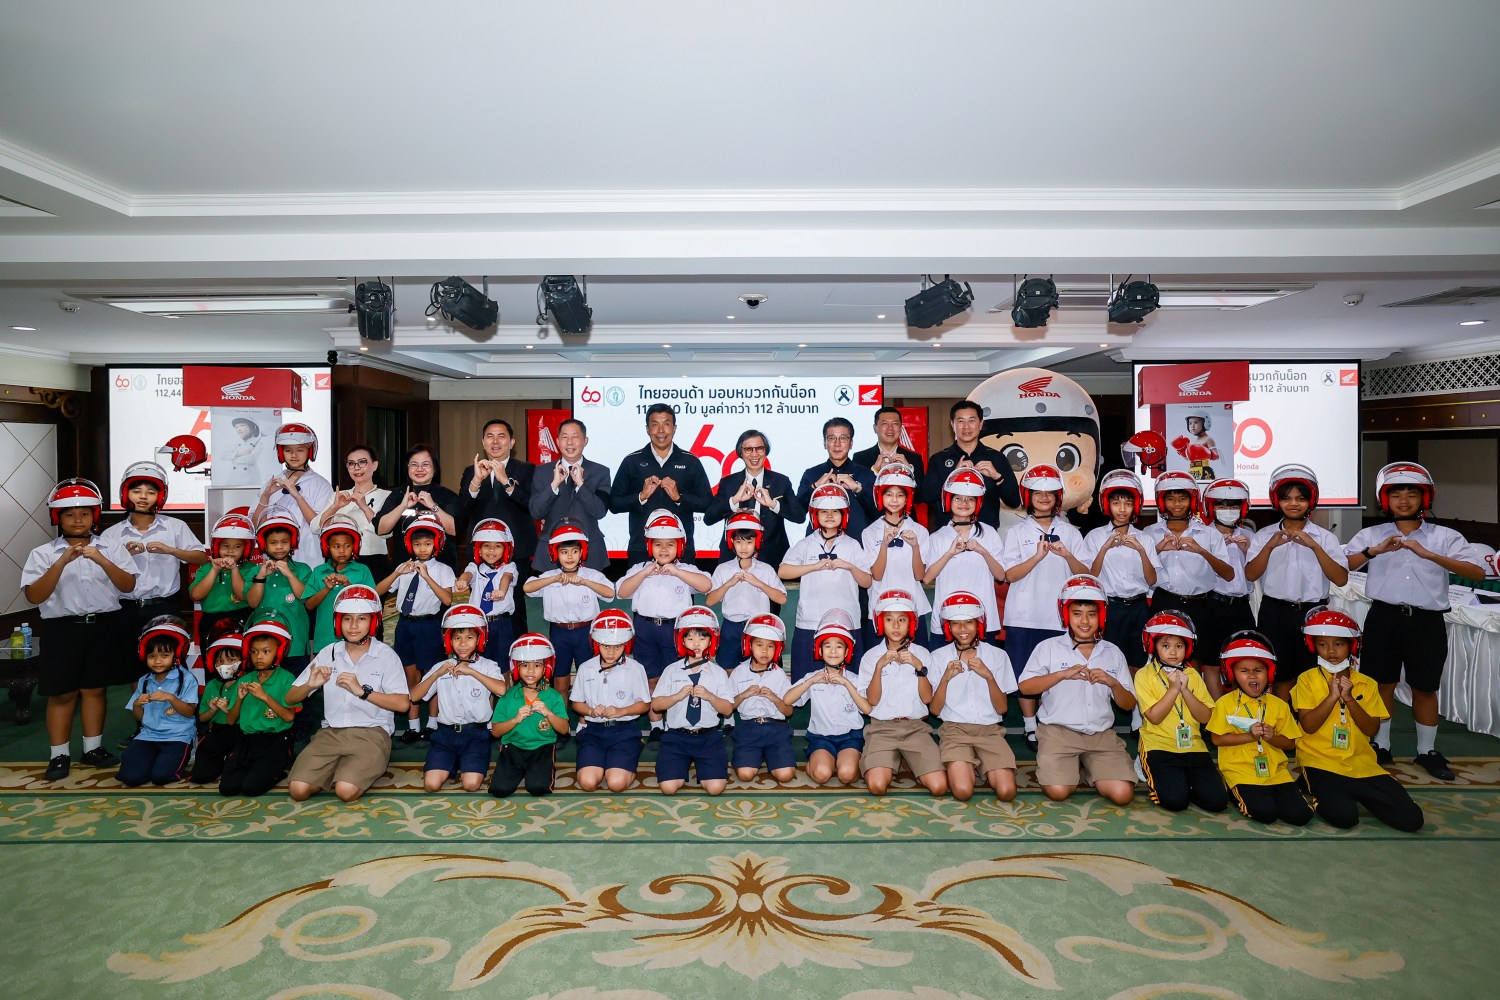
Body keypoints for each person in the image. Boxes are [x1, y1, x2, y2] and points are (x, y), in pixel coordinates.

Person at [1345, 462, 1485, 779]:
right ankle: (1381, 745)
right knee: (1381, 684)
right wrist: (1374, 551)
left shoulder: (1445, 536)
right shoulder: (1371, 534)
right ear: (1385, 499)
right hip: (1383, 617)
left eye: (1412, 494)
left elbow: (1477, 572)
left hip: (1426, 621)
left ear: (1425, 497)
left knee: (1425, 687)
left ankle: (1426, 751)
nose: (1404, 500)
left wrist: (1430, 554)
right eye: (1396, 494)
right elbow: (1342, 567)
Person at [21, 478, 138, 781]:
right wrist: (61, 562)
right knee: (62, 694)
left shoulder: (111, 547)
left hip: (103, 626)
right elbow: (35, 596)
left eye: (84, 513)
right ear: (57, 518)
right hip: (62, 629)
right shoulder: (43, 553)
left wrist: (101, 559)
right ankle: (59, 755)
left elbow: (128, 585)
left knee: (95, 689)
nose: (77, 520)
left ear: (94, 516)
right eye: (70, 514)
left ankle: (93, 748)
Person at [1291, 607, 1423, 832]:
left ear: (1352, 646)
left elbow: (1371, 729)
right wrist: (1332, 697)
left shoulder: (1367, 683)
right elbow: (1309, 726)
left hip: (1362, 765)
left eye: (1339, 644)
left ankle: (1345, 790)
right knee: (1344, 817)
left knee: (1411, 820)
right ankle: (1310, 781)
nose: (1331, 651)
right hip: (1320, 761)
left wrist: (1349, 699)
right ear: (1313, 646)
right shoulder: (1306, 680)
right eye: (1322, 644)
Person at [1016, 575, 1137, 805]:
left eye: (1092, 614)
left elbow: (1128, 704)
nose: (1084, 621)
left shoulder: (1113, 652)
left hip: (1101, 735)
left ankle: (1087, 764)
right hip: (1058, 733)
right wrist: (1060, 675)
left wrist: (1113, 683)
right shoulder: (1048, 647)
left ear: (1101, 616)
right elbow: (1025, 687)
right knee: (1058, 791)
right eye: (1077, 613)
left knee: (1122, 794)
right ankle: (1073, 766)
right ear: (1065, 615)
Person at [286, 586, 411, 803]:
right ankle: (339, 769)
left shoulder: (386, 656)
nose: (353, 626)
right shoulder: (329, 653)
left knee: (345, 791)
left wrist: (363, 692)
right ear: (338, 622)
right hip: (330, 733)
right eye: (347, 619)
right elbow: (290, 698)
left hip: (371, 733)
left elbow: (403, 704)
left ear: (373, 622)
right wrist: (309, 685)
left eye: (361, 619)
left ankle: (345, 772)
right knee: (298, 790)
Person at [1000, 464, 1089, 750]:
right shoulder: (1016, 532)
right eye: (1037, 492)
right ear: (1028, 496)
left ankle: (1053, 722)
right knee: (1024, 672)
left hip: (1060, 616)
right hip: (1024, 616)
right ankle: (1030, 726)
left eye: (1049, 492)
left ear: (1058, 496)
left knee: (1057, 670)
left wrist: (1067, 555)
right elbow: (1008, 575)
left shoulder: (1071, 532)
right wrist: (1036, 557)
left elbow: (1086, 573)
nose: (1043, 497)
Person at [1245, 464, 1349, 698]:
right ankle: (1282, 720)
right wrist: (1269, 546)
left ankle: (1307, 722)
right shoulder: (1264, 535)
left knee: (1311, 677)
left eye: (1300, 498)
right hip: (1274, 613)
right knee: (1279, 676)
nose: (1293, 503)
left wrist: (1314, 546)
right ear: (1276, 501)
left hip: (1313, 613)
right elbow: (1250, 574)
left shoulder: (1325, 537)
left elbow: (1341, 579)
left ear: (1311, 501)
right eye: (1286, 498)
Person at [100, 461, 208, 681]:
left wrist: (171, 550)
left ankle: (171, 703)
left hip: (164, 607)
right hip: (125, 609)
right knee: (133, 670)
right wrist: (123, 555)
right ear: (125, 493)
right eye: (136, 491)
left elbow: (201, 557)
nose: (143, 497)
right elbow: (100, 573)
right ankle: (140, 705)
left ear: (160, 496)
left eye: (150, 492)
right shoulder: (112, 534)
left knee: (169, 666)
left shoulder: (175, 526)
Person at [1207, 631, 1312, 826]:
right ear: (1232, 674)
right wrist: (1250, 736)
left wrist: (1271, 737)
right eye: (1244, 671)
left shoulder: (1279, 705)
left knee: (1301, 816)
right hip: (1241, 772)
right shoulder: (1224, 703)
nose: (1252, 675)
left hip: (1276, 773)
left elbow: (1290, 743)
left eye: (1258, 670)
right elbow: (1217, 739)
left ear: (1269, 673)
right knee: (1265, 813)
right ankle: (1233, 789)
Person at [928, 591, 1019, 802]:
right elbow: (934, 710)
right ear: (948, 627)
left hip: (990, 731)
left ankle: (980, 765)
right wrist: (945, 680)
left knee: (1007, 792)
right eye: (956, 623)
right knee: (962, 791)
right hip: (955, 731)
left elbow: (1002, 709)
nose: (962, 629)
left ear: (979, 624)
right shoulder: (938, 657)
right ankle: (967, 766)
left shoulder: (997, 655)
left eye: (969, 622)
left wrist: (989, 676)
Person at [1133, 611, 1228, 814]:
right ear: (1153, 646)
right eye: (1166, 646)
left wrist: (1185, 690)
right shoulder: (1144, 675)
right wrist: (1174, 689)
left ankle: (1186, 782)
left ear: (1187, 648)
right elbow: (1154, 717)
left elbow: (1206, 717)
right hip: (1159, 745)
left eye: (1179, 646)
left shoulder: (1192, 674)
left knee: (1217, 802)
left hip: (1194, 746)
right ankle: (1147, 765)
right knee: (1175, 801)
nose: (1173, 652)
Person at [854, 590, 945, 796]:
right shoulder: (871, 657)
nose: (895, 626)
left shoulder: (922, 654)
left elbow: (927, 699)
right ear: (880, 623)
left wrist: (919, 667)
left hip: (916, 728)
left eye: (902, 620)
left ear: (911, 623)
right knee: (877, 786)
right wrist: (879, 667)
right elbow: (872, 700)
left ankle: (906, 758)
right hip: (881, 728)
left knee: (939, 786)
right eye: (889, 620)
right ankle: (894, 758)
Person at [779, 484, 874, 682]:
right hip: (810, 621)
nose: (830, 516)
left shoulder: (853, 545)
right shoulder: (806, 543)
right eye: (824, 511)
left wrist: (849, 566)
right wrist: (813, 567)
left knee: (848, 681)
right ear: (815, 515)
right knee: (806, 680)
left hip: (847, 621)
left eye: (835, 511)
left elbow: (867, 582)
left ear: (844, 515)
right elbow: (783, 571)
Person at [410, 604, 509, 793]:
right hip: (445, 735)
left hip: (476, 734)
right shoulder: (441, 666)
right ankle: (452, 761)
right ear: (449, 640)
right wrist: (436, 674)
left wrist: (472, 672)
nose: (463, 644)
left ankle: (460, 762)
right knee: (431, 785)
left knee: (471, 785)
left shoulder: (488, 666)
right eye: (457, 638)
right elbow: (415, 696)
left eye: (469, 638)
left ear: (480, 639)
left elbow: (502, 690)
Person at [376, 514, 455, 743]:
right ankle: (413, 725)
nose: (422, 549)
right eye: (417, 544)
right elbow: (378, 591)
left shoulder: (443, 569)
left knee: (432, 674)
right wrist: (397, 573)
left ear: (436, 544)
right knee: (410, 675)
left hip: (429, 625)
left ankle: (432, 723)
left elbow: (447, 600)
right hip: (405, 625)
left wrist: (427, 577)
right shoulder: (404, 567)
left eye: (427, 544)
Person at [455, 420, 537, 633]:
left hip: (517, 550)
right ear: (483, 442)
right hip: (481, 551)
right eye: (490, 436)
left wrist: (505, 481)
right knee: (480, 603)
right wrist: (476, 481)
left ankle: (517, 648)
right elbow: (462, 508)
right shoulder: (471, 470)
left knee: (515, 607)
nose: (495, 441)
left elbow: (532, 506)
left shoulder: (527, 469)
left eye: (501, 436)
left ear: (512, 442)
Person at [522, 521, 617, 704]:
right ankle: (562, 719)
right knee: (560, 682)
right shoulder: (550, 577)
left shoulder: (591, 575)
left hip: (586, 632)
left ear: (582, 552)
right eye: (564, 552)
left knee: (589, 680)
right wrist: (554, 579)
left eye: (574, 551)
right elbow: (527, 588)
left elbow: (610, 593)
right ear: (555, 554)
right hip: (559, 633)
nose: (570, 556)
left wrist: (585, 582)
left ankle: (585, 718)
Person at [615, 511, 713, 684]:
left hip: (675, 629)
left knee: (676, 678)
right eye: (658, 544)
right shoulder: (640, 569)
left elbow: (706, 585)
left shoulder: (686, 569)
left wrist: (677, 572)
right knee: (649, 679)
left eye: (670, 544)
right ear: (649, 546)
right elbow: (621, 592)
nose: (664, 549)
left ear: (680, 546)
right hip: (645, 628)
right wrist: (644, 573)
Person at [610, 403, 714, 564]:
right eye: (655, 425)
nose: (661, 430)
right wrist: (641, 496)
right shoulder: (632, 461)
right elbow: (614, 504)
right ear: (647, 429)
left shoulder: (691, 461)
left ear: (674, 428)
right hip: (641, 549)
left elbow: (708, 503)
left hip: (681, 550)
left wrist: (679, 498)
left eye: (666, 424)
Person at [1080, 470, 1160, 673]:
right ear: (1107, 505)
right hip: (1111, 606)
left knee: (1138, 663)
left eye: (1128, 503)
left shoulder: (1145, 539)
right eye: (1116, 503)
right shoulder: (1095, 536)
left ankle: (1134, 695)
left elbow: (1152, 580)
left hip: (1139, 607)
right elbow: (1091, 577)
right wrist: (1105, 548)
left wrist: (1141, 550)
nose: (1122, 509)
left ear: (1135, 506)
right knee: (1108, 661)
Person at [651, 607, 736, 796]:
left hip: (708, 737)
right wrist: (676, 697)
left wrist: (710, 696)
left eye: (702, 638)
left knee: (715, 789)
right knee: (668, 788)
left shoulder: (718, 673)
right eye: (690, 638)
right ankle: (679, 767)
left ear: (711, 641)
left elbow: (727, 710)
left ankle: (703, 768)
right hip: (676, 737)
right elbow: (656, 706)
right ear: (681, 641)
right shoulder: (671, 670)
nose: (696, 643)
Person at [921, 468, 1008, 648]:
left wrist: (983, 551)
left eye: (970, 499)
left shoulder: (989, 533)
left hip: (983, 618)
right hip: (947, 618)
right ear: (949, 500)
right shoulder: (938, 537)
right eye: (958, 498)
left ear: (977, 502)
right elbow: (927, 578)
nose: (964, 503)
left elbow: (1001, 576)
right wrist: (949, 553)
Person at [785, 612, 870, 787]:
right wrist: (811, 681)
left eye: (839, 646)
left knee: (846, 775)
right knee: (822, 774)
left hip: (850, 737)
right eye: (827, 645)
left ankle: (845, 762)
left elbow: (867, 709)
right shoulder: (813, 677)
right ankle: (820, 763)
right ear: (819, 650)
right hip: (821, 737)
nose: (832, 651)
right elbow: (787, 700)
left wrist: (846, 683)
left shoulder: (854, 679)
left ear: (847, 651)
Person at [570, 611, 652, 793]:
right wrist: (590, 711)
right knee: (588, 783)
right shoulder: (586, 667)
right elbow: (576, 703)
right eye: (605, 646)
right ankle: (603, 761)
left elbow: (645, 704)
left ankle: (630, 751)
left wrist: (621, 711)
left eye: (617, 646)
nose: (611, 652)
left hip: (624, 731)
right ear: (596, 643)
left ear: (626, 644)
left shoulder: (635, 669)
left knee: (616, 784)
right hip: (593, 731)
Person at [1142, 472, 1233, 631]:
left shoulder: (1210, 534)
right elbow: (1141, 572)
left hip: (1202, 605)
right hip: (1164, 602)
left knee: (1204, 647)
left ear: (1192, 501)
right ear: (1162, 502)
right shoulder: (1149, 532)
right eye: (1170, 499)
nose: (1177, 504)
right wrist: (1157, 550)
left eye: (1183, 498)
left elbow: (1229, 575)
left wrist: (1202, 551)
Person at [219, 616, 299, 797]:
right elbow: (230, 720)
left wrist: (264, 697)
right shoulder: (245, 679)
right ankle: (257, 769)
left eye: (266, 651)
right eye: (254, 652)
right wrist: (239, 699)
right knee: (227, 788)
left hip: (275, 740)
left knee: (251, 788)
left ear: (279, 652)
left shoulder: (287, 678)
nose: (259, 657)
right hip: (247, 740)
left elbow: (289, 717)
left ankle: (277, 771)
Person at [704, 429, 806, 568]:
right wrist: (734, 501)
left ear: (765, 452)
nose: (754, 454)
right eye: (748, 449)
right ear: (740, 453)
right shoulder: (728, 483)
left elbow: (799, 517)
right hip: (733, 559)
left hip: (773, 558)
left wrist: (773, 505)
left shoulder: (781, 481)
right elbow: (709, 518)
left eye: (759, 448)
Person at [119, 615, 198, 787]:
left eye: (165, 655)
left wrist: (171, 698)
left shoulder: (187, 679)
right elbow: (140, 717)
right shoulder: (144, 681)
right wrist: (137, 704)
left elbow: (189, 712)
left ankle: (188, 751)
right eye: (152, 656)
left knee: (161, 776)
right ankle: (153, 758)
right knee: (131, 777)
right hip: (148, 735)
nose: (157, 661)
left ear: (177, 654)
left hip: (178, 736)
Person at [920, 400, 1021, 532]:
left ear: (981, 424)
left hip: (986, 535)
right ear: (952, 425)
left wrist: (997, 477)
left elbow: (1014, 501)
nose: (966, 427)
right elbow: (926, 497)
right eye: (961, 421)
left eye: (971, 421)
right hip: (947, 535)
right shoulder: (938, 459)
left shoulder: (996, 458)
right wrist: (952, 475)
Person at [705, 511, 788, 670]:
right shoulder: (723, 569)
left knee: (759, 668)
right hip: (731, 627)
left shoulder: (766, 569)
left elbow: (782, 599)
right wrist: (728, 584)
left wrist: (760, 583)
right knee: (728, 669)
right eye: (738, 542)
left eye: (749, 542)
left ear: (757, 542)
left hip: (759, 627)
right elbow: (709, 601)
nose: (744, 547)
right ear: (731, 542)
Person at [529, 418, 613, 573]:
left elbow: (600, 511)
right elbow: (536, 512)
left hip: (590, 552)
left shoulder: (600, 472)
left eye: (575, 437)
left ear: (585, 441)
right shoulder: (542, 472)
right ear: (557, 441)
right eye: (565, 437)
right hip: (550, 552)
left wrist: (581, 485)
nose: (569, 442)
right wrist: (554, 485)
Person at [1197, 479, 1256, 699]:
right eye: (1222, 505)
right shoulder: (1203, 534)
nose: (1228, 510)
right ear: (1211, 507)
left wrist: (1247, 550)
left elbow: (1255, 574)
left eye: (1233, 505)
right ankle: (1218, 712)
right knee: (1212, 662)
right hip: (1213, 603)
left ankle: (1242, 708)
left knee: (1245, 658)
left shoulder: (1249, 536)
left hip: (1241, 605)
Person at [490, 634, 569, 797]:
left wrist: (548, 713)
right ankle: (519, 770)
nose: (531, 671)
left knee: (537, 788)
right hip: (513, 747)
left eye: (537, 665)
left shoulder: (553, 696)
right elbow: (496, 732)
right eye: (525, 665)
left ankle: (539, 769)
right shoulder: (508, 696)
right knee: (500, 790)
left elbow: (564, 729)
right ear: (516, 668)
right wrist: (515, 720)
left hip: (542, 747)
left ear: (546, 668)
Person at [862, 464, 930, 648]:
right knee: (878, 659)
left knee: (917, 658)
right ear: (880, 496)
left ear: (908, 498)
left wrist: (915, 547)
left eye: (900, 495)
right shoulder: (870, 532)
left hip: (914, 606)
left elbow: (920, 575)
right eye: (889, 494)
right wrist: (884, 544)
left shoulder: (920, 531)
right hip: (880, 607)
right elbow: (876, 575)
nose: (894, 500)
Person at [254, 423, 335, 570]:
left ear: (310, 451)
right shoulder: (272, 482)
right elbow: (256, 525)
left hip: (308, 559)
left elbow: (320, 526)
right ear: (281, 452)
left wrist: (297, 496)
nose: (294, 455)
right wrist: (265, 497)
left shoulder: (321, 484)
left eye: (300, 450)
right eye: (288, 450)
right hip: (273, 561)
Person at [729, 613, 796, 784]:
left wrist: (774, 698)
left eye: (770, 646)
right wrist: (744, 695)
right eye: (759, 645)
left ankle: (772, 756)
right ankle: (755, 757)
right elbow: (728, 708)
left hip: (777, 729)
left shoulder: (780, 675)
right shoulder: (739, 672)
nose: (765, 651)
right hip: (749, 729)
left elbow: (789, 711)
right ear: (749, 645)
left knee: (785, 775)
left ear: (777, 649)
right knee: (745, 775)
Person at [246, 513, 314, 675]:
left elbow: (306, 599)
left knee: (296, 684)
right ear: (264, 544)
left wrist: (290, 574)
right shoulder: (255, 571)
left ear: (293, 543)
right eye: (273, 543)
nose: (279, 547)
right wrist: (261, 576)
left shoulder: (302, 569)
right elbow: (252, 602)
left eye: (284, 542)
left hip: (296, 645)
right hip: (263, 646)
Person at [374, 445, 461, 569]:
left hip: (441, 568)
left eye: (425, 464)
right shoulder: (398, 494)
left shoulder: (447, 495)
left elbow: (454, 529)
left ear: (434, 468)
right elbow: (381, 529)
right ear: (408, 468)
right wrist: (402, 506)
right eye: (414, 465)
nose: (419, 469)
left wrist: (433, 506)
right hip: (405, 567)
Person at [316, 444, 393, 584]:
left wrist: (364, 507)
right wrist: (335, 507)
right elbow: (316, 527)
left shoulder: (388, 496)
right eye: (351, 463)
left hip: (373, 560)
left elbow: (386, 532)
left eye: (362, 462)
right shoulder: (338, 495)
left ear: (375, 465)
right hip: (339, 560)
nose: (356, 467)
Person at [304, 519, 377, 660]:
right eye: (336, 546)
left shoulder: (362, 570)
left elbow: (371, 602)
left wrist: (348, 585)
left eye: (347, 546)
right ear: (327, 548)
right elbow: (309, 605)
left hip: (356, 637)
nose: (342, 551)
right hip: (325, 638)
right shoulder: (318, 571)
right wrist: (326, 588)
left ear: (354, 546)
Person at [796, 418, 878, 539]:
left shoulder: (866, 475)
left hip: (858, 544)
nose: (837, 444)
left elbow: (879, 513)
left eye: (843, 438)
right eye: (831, 438)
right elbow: (798, 514)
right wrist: (815, 487)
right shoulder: (811, 474)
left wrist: (857, 489)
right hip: (817, 545)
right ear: (825, 443)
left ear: (851, 443)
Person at [453, 518, 518, 663]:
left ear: (506, 549)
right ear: (479, 550)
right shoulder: (474, 567)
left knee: (503, 664)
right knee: (479, 661)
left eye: (498, 546)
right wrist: (463, 580)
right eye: (486, 546)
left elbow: (506, 578)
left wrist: (501, 591)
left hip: (501, 623)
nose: (491, 550)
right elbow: (468, 574)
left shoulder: (509, 567)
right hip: (478, 623)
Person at [188, 510, 256, 646]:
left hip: (241, 617)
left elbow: (242, 595)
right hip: (211, 620)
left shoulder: (250, 569)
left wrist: (234, 569)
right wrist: (214, 570)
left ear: (246, 549)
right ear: (216, 546)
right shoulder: (206, 569)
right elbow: (195, 595)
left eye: (237, 546)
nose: (231, 550)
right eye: (225, 546)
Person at [191, 624, 245, 785]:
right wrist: (213, 710)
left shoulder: (246, 682)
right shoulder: (212, 685)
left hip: (240, 732)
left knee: (235, 774)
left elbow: (248, 716)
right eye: (220, 661)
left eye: (231, 660)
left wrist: (228, 710)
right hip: (217, 732)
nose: (224, 664)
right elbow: (202, 718)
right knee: (200, 776)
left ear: (242, 661)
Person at [853, 406, 926, 483]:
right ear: (875, 428)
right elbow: (857, 488)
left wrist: (909, 471)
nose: (890, 428)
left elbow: (921, 489)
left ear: (901, 428)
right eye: (885, 424)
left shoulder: (914, 459)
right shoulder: (860, 458)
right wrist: (875, 470)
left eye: (895, 424)